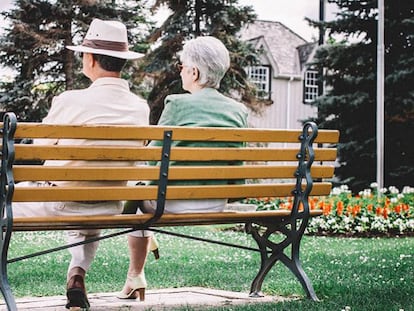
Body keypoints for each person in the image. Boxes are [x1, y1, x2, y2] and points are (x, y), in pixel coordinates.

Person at [12, 19, 150, 310]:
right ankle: (77, 272)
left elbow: (40, 147)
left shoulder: (71, 99)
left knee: (29, 200)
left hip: (61, 202)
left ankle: (75, 272)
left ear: (90, 59)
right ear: (122, 62)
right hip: (109, 205)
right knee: (90, 204)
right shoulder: (140, 107)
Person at [117, 36, 248, 301]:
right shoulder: (238, 111)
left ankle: (135, 273)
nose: (180, 70)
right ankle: (141, 253)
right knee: (143, 196)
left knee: (138, 198)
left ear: (194, 72)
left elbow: (152, 162)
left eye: (183, 65)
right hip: (215, 204)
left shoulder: (176, 104)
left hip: (168, 204)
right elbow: (237, 169)